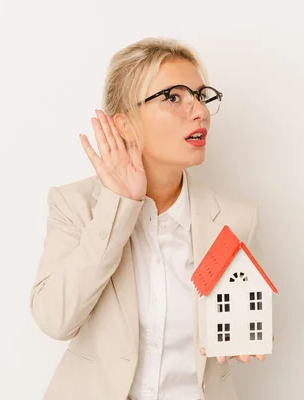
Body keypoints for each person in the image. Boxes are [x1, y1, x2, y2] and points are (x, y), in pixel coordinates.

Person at [30, 37, 268, 400]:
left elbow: (240, 320)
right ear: (124, 124)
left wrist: (240, 338)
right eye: (174, 97)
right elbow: (56, 320)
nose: (199, 111)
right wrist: (120, 203)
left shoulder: (236, 219)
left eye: (201, 96)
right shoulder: (75, 205)